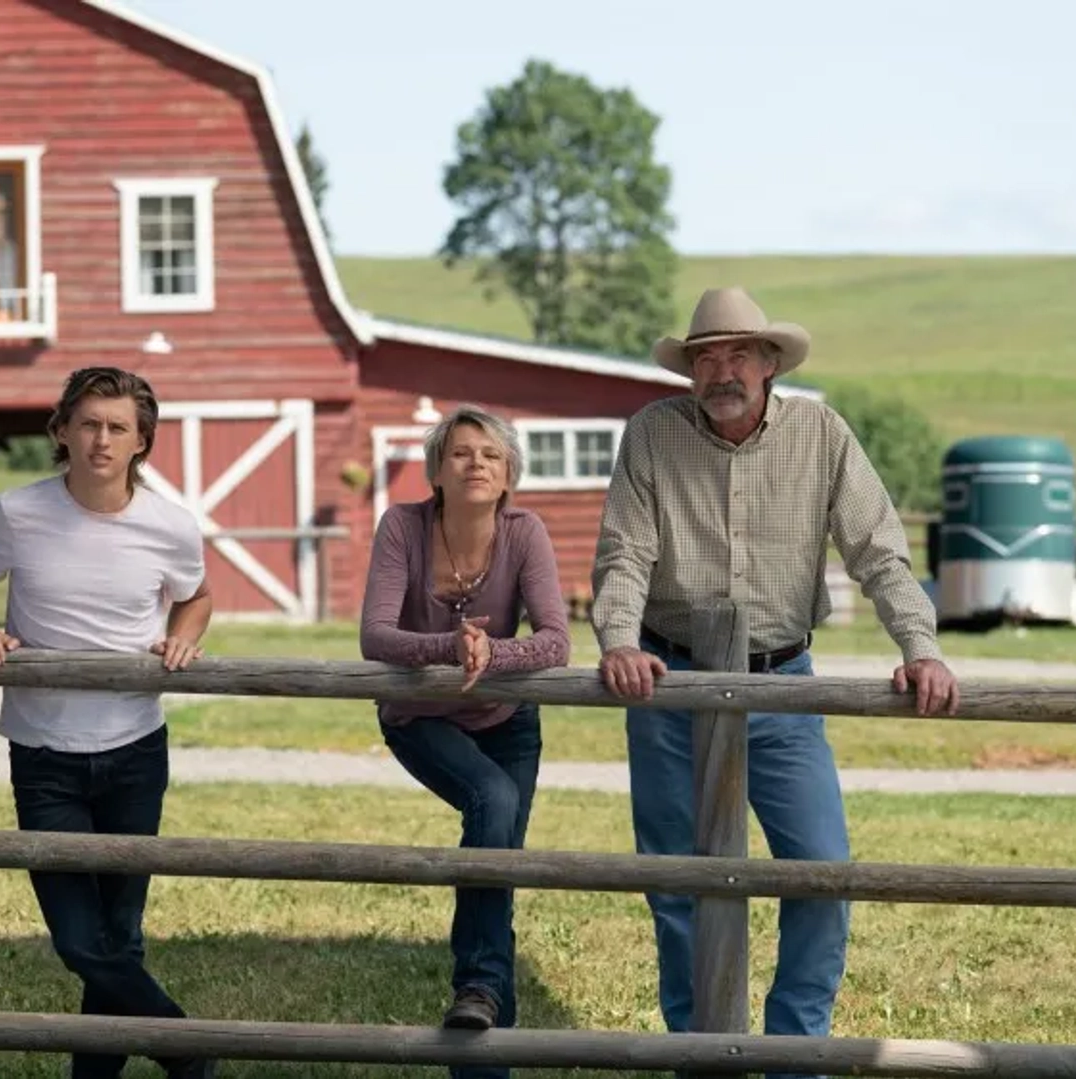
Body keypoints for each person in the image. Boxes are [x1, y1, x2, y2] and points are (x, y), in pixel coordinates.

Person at [592, 286, 959, 1079]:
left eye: (735, 355)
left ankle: (795, 1057)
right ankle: (704, 1057)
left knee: (821, 874)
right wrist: (619, 639)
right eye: (704, 357)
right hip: (669, 681)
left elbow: (880, 551)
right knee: (677, 885)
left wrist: (920, 646)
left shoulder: (823, 434)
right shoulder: (653, 435)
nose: (719, 371)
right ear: (690, 369)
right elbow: (625, 552)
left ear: (768, 363)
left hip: (781, 685)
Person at [0, 366, 216, 1079]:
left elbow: (195, 596)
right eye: (89, 423)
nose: (101, 439)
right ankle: (186, 1046)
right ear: (62, 430)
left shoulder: (170, 524)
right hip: (43, 752)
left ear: (141, 441)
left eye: (118, 427)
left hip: (135, 749)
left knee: (119, 938)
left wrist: (185, 635)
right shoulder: (15, 512)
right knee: (79, 939)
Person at [358, 404, 569, 1074]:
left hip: (507, 720)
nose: (475, 462)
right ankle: (476, 983)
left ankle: (482, 1042)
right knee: (494, 803)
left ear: (509, 474)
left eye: (490, 454)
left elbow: (557, 640)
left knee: (496, 863)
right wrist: (451, 648)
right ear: (437, 470)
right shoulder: (402, 525)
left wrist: (492, 654)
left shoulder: (524, 531)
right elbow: (376, 635)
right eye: (460, 452)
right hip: (419, 715)